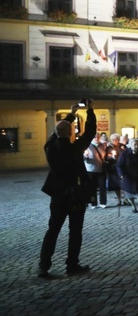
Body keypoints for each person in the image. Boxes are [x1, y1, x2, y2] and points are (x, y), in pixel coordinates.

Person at [38, 99, 97, 278]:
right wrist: (90, 111)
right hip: (75, 196)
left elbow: (56, 134)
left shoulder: (49, 148)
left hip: (57, 196)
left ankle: (43, 266)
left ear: (55, 134)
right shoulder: (75, 148)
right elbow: (90, 133)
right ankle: (72, 264)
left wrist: (71, 115)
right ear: (71, 132)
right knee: (75, 231)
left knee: (53, 230)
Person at [119, 139, 138, 213]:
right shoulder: (125, 153)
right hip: (128, 175)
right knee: (128, 193)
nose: (136, 146)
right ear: (130, 145)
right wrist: (121, 174)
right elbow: (119, 165)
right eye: (135, 145)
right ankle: (133, 206)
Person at [83, 136, 107, 209]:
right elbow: (83, 156)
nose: (96, 139)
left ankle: (103, 202)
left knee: (102, 186)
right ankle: (94, 203)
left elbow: (104, 156)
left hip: (101, 169)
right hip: (91, 170)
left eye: (98, 137)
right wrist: (85, 157)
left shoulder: (102, 145)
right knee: (92, 187)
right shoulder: (87, 146)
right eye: (95, 137)